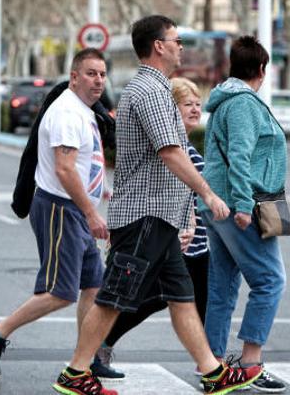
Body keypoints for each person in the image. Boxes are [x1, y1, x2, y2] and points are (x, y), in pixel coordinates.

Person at [49, 15, 260, 395]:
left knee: (182, 298)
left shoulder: (158, 90)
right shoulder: (148, 91)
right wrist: (208, 194)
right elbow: (170, 152)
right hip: (145, 216)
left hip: (160, 217)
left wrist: (187, 215)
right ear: (159, 46)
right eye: (176, 40)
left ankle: (211, 371)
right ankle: (76, 372)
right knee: (114, 297)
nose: (181, 46)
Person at [0, 49, 111, 381]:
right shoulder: (67, 112)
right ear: (74, 76)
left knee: (94, 284)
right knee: (61, 291)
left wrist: (98, 188)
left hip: (74, 208)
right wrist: (92, 212)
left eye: (103, 75)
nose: (98, 81)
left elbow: (81, 162)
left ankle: (86, 358)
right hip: (60, 209)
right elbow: (64, 169)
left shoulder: (84, 110)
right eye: (91, 74)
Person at [90, 77, 210, 382]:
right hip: (161, 235)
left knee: (188, 301)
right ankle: (86, 359)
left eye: (198, 104)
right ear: (171, 110)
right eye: (188, 105)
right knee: (129, 299)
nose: (195, 110)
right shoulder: (169, 148)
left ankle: (212, 365)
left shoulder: (184, 146)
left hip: (187, 243)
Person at [201, 36, 288, 393]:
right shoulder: (243, 104)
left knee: (223, 286)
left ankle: (213, 365)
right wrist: (241, 204)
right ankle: (251, 363)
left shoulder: (226, 102)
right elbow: (239, 156)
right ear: (262, 70)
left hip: (225, 202)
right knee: (271, 280)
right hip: (246, 202)